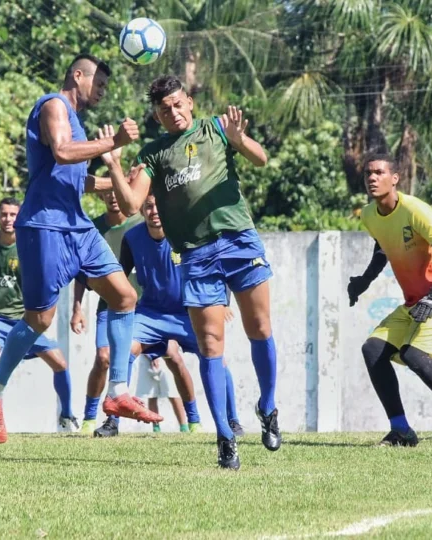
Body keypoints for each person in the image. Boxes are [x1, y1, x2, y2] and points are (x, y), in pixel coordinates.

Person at [0, 53, 161, 444]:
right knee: (40, 319)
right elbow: (61, 151)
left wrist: (117, 180)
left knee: (125, 297)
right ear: (78, 76)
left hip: (77, 226)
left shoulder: (78, 123)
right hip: (43, 225)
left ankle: (117, 393)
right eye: (100, 84)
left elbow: (76, 179)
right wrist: (113, 142)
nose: (103, 92)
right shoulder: (54, 106)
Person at [102, 75, 278, 470]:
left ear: (191, 102)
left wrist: (239, 140)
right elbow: (131, 203)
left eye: (179, 104)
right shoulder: (153, 153)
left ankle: (267, 407)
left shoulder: (216, 127)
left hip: (238, 241)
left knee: (260, 328)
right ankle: (224, 437)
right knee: (212, 345)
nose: (174, 112)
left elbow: (261, 158)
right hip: (197, 256)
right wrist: (113, 163)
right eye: (165, 109)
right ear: (156, 115)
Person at [348, 153, 432, 448]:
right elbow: (382, 250)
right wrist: (364, 280)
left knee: (413, 354)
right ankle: (401, 430)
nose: (372, 178)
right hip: (415, 301)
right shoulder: (370, 215)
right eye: (367, 174)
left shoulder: (415, 209)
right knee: (372, 349)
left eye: (379, 172)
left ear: (394, 178)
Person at [120, 194, 244, 438]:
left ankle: (233, 421)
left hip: (189, 311)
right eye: (148, 206)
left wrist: (223, 301)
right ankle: (112, 421)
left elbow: (215, 265)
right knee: (125, 350)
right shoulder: (132, 238)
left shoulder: (187, 233)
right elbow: (119, 276)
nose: (154, 210)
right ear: (142, 210)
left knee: (217, 359)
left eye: (158, 205)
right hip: (151, 313)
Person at [0, 197, 77, 432]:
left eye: (13, 215)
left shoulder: (30, 244)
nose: (8, 219)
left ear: (20, 217)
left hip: (24, 320)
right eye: (4, 214)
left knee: (60, 362)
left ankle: (66, 416)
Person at [71, 190, 142, 437]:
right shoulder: (94, 228)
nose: (113, 197)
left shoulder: (142, 223)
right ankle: (90, 417)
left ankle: (193, 423)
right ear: (101, 197)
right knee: (103, 358)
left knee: (173, 357)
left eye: (117, 191)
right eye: (107, 193)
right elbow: (81, 273)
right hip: (109, 306)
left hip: (145, 309)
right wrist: (77, 308)